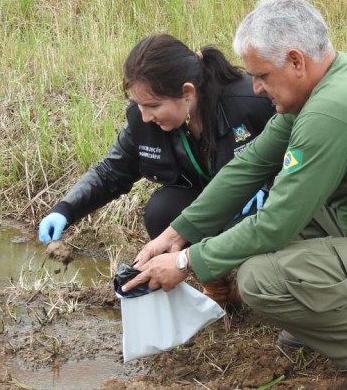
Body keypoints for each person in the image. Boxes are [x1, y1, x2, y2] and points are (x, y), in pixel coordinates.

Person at [122, 0, 347, 390]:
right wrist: (176, 234)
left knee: (260, 281)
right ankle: (316, 318)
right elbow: (251, 166)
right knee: (264, 237)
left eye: (261, 75)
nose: (256, 88)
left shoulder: (329, 114)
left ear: (296, 61)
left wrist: (184, 263)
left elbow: (275, 224)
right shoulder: (330, 81)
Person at [38, 33, 275, 302]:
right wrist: (65, 209)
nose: (144, 116)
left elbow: (299, 154)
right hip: (207, 204)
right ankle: (217, 286)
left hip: (261, 207)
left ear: (187, 93)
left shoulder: (251, 102)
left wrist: (269, 186)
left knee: (256, 251)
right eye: (138, 104)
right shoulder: (146, 121)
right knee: (162, 211)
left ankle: (264, 285)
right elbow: (111, 172)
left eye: (153, 105)